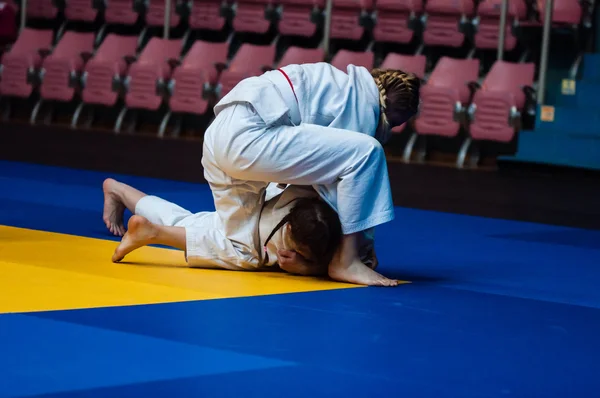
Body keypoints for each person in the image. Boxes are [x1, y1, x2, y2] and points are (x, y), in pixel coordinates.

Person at [105, 62, 420, 286]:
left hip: (221, 140)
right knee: (368, 152)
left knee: (241, 245)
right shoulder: (362, 104)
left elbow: (318, 169)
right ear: (390, 110)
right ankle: (345, 263)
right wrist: (361, 250)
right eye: (393, 124)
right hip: (252, 139)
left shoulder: (339, 82)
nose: (389, 130)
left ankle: (129, 201)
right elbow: (342, 186)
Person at [104, 178, 356, 276]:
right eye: (301, 250)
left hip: (247, 204)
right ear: (289, 231)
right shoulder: (275, 241)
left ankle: (118, 191)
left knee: (184, 220)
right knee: (244, 256)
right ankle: (151, 227)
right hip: (242, 224)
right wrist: (303, 267)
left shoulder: (313, 199)